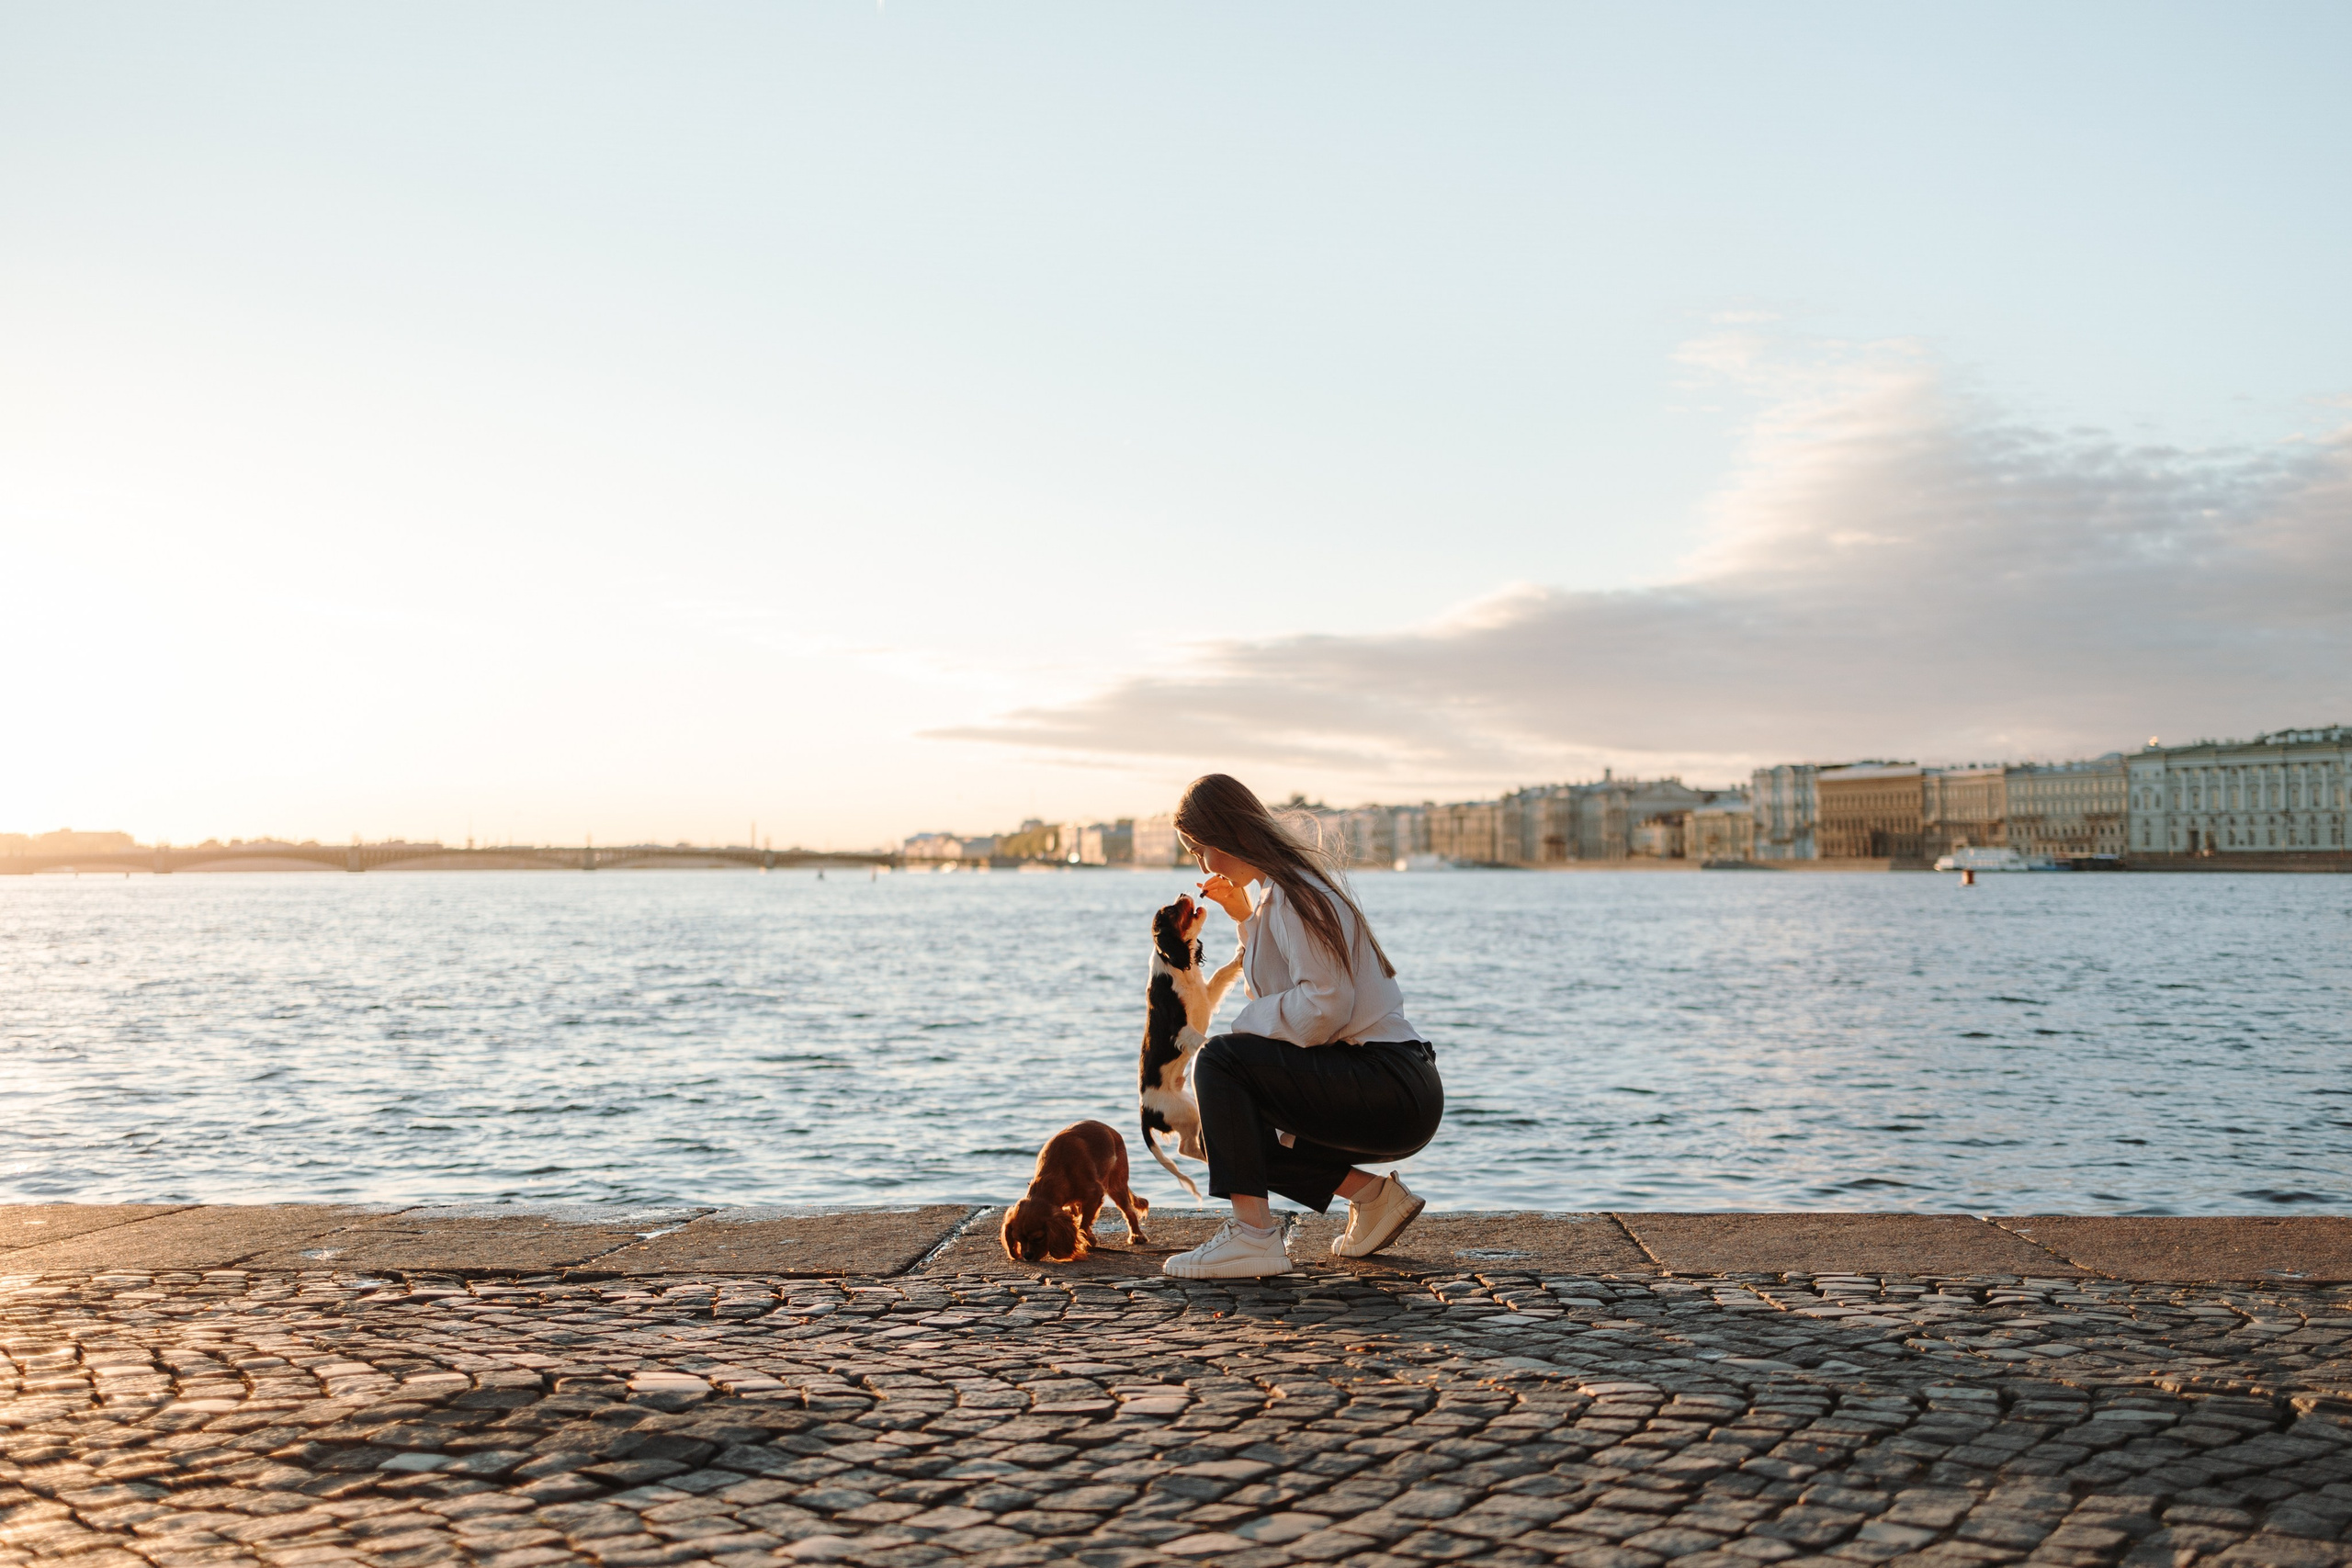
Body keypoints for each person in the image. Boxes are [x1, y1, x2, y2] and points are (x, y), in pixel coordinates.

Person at [1159, 773, 1443, 1280]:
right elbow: (1291, 1004)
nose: (1202, 866)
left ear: (1230, 833)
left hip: (1389, 1081)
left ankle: (1253, 1237)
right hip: (1393, 1082)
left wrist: (1238, 1032)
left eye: (1202, 850)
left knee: (1220, 1061)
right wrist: (1245, 919)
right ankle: (1372, 1198)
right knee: (1220, 1127)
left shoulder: (1295, 893)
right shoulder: (1279, 894)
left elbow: (1323, 1007)